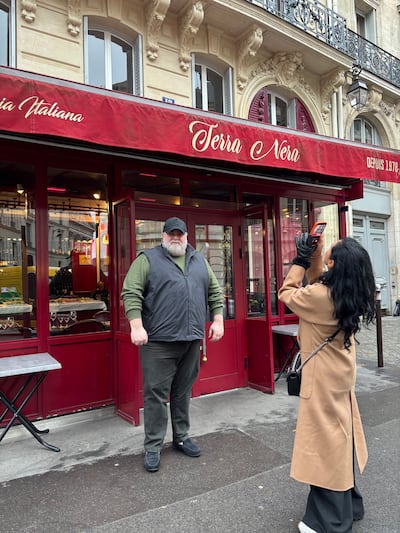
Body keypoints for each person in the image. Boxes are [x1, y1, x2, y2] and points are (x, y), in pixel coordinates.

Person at [278, 234, 376, 533]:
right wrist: (316, 254)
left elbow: (286, 292)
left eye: (330, 256)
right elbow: (322, 278)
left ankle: (330, 521)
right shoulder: (349, 289)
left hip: (321, 376)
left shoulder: (320, 296)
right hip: (340, 371)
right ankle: (350, 504)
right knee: (341, 437)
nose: (327, 262)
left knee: (324, 444)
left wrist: (298, 261)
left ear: (336, 266)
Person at [121, 216, 224, 473]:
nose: (175, 238)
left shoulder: (198, 259)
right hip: (158, 342)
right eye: (171, 234)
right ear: (163, 236)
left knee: (182, 391)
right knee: (155, 395)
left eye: (180, 234)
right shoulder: (147, 259)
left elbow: (214, 291)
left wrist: (218, 320)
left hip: (191, 339)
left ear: (188, 237)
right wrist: (136, 325)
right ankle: (153, 446)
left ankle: (181, 437)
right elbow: (131, 292)